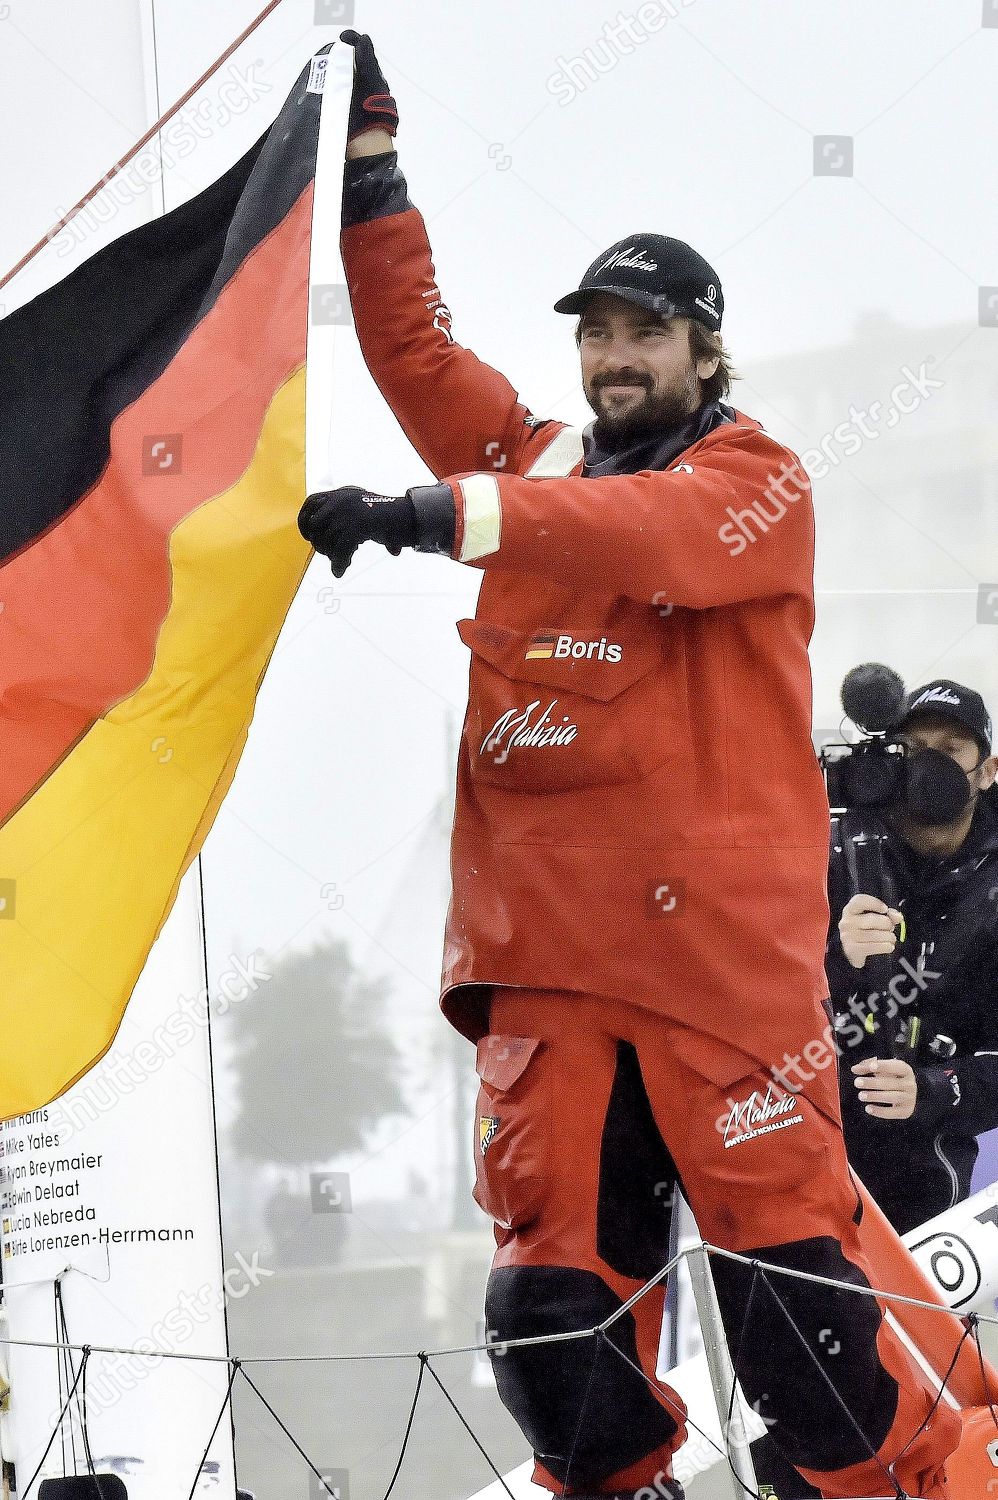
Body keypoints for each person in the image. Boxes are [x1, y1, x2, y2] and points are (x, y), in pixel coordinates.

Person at [299, 31, 962, 1499]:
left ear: (703, 349)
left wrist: (429, 514)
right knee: (551, 1340)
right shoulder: (534, 461)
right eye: (596, 332)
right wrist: (368, 177)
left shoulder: (752, 485)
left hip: (718, 995)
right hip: (549, 984)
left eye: (644, 333)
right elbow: (411, 350)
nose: (613, 358)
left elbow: (633, 539)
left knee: (809, 1348)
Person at [827, 680, 998, 1235]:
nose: (931, 768)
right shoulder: (832, 847)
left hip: (929, 1155)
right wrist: (833, 956)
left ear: (988, 770)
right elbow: (746, 991)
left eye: (950, 752)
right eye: (916, 750)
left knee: (915, 1315)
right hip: (809, 1126)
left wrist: (934, 1089)